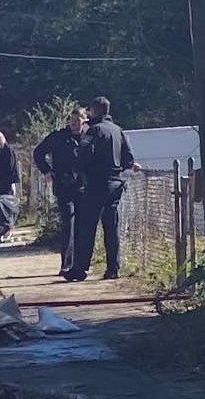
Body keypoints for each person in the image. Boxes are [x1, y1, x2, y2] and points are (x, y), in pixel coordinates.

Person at [68, 96, 137, 281]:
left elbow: (84, 154)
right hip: (116, 184)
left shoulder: (94, 131)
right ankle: (113, 268)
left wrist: (78, 170)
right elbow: (129, 158)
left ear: (94, 110)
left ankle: (80, 269)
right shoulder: (119, 131)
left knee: (86, 226)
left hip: (97, 184)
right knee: (111, 226)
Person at [33, 109, 88, 276]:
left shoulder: (90, 136)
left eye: (77, 121)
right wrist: (47, 171)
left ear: (84, 121)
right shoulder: (58, 137)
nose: (74, 124)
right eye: (72, 121)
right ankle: (66, 263)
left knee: (82, 225)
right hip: (64, 186)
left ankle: (80, 264)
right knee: (68, 223)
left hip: (84, 186)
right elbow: (38, 153)